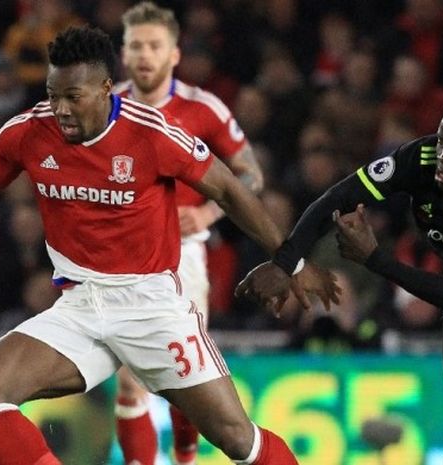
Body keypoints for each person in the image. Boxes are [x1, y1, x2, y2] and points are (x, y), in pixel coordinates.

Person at [0, 25, 338, 465]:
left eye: (74, 96)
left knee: (237, 439)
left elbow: (228, 189)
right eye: (54, 94)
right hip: (81, 306)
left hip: (151, 306)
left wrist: (291, 261)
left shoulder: (151, 133)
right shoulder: (29, 131)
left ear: (107, 88)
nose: (61, 109)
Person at [237, 95, 443, 465]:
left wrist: (375, 259)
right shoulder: (419, 160)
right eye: (442, 141)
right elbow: (339, 196)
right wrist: (284, 263)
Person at [111, 3, 264, 464]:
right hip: (122, 257)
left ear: (174, 54)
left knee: (184, 377)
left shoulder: (203, 108)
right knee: (129, 377)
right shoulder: (107, 106)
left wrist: (209, 214)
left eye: (154, 46)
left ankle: (185, 455)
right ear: (123, 51)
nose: (144, 55)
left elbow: (251, 176)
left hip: (184, 256)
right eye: (136, 45)